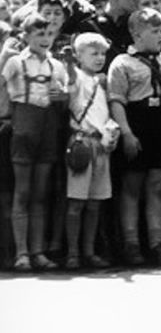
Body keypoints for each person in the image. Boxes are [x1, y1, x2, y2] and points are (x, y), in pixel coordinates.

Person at [107, 8, 161, 265]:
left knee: (157, 184)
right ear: (137, 34)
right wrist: (127, 133)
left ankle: (157, 243)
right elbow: (117, 101)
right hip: (137, 120)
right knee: (133, 185)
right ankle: (132, 244)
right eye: (155, 31)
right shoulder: (122, 63)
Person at [1, 12, 69, 271]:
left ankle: (38, 251)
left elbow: (65, 96)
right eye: (39, 34)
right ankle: (21, 253)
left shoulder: (57, 65)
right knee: (23, 191)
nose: (45, 39)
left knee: (40, 194)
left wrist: (62, 95)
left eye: (49, 34)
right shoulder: (16, 63)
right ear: (26, 36)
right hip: (24, 125)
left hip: (48, 126)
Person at [64, 33, 120, 270]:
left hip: (102, 144)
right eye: (93, 53)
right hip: (82, 144)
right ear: (79, 56)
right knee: (76, 203)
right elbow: (71, 79)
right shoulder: (77, 79)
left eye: (103, 53)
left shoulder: (102, 81)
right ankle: (73, 253)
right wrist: (68, 63)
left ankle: (88, 251)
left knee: (95, 203)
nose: (99, 58)